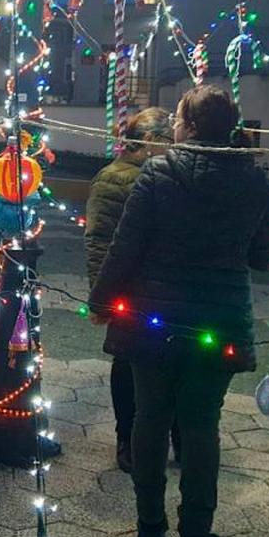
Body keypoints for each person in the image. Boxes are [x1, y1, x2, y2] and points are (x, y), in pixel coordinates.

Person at [89, 85, 269, 537]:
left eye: (178, 118)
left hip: (153, 322)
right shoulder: (256, 183)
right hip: (218, 326)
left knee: (150, 416)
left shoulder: (159, 173)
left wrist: (101, 301)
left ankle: (150, 526)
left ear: (191, 127)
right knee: (200, 426)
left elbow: (126, 246)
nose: (173, 126)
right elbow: (263, 257)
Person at [84, 107, 180, 473]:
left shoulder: (167, 175)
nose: (173, 148)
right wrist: (101, 298)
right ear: (151, 143)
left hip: (163, 291)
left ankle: (167, 436)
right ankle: (127, 439)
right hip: (128, 291)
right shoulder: (113, 179)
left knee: (166, 364)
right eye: (168, 142)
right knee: (127, 365)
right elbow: (99, 241)